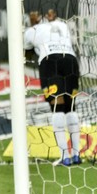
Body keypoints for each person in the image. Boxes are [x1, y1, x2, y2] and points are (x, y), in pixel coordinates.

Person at [24, 9, 81, 166]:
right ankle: (77, 154)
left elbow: (26, 55)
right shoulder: (62, 25)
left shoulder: (31, 31)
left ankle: (65, 156)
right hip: (70, 59)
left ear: (36, 18)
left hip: (50, 61)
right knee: (71, 107)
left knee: (58, 106)